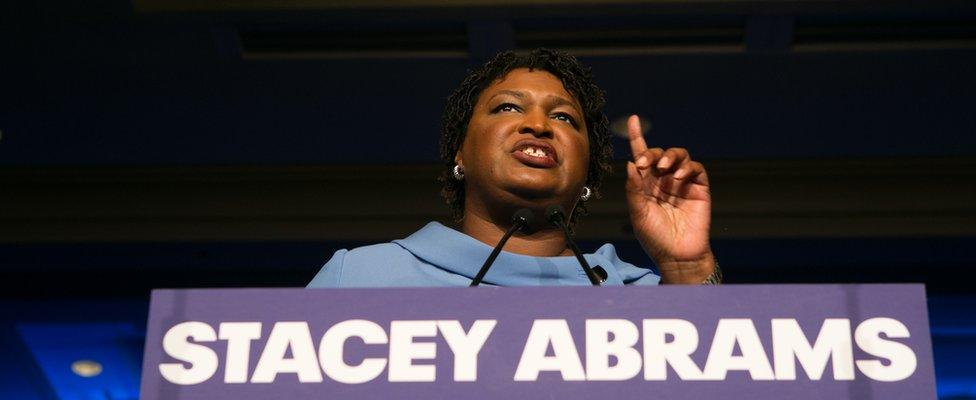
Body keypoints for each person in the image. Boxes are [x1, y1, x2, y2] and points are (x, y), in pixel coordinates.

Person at [308, 48, 719, 288]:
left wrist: (687, 269)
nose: (538, 125)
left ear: (588, 176)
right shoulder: (362, 277)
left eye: (563, 118)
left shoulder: (639, 294)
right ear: (460, 154)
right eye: (507, 107)